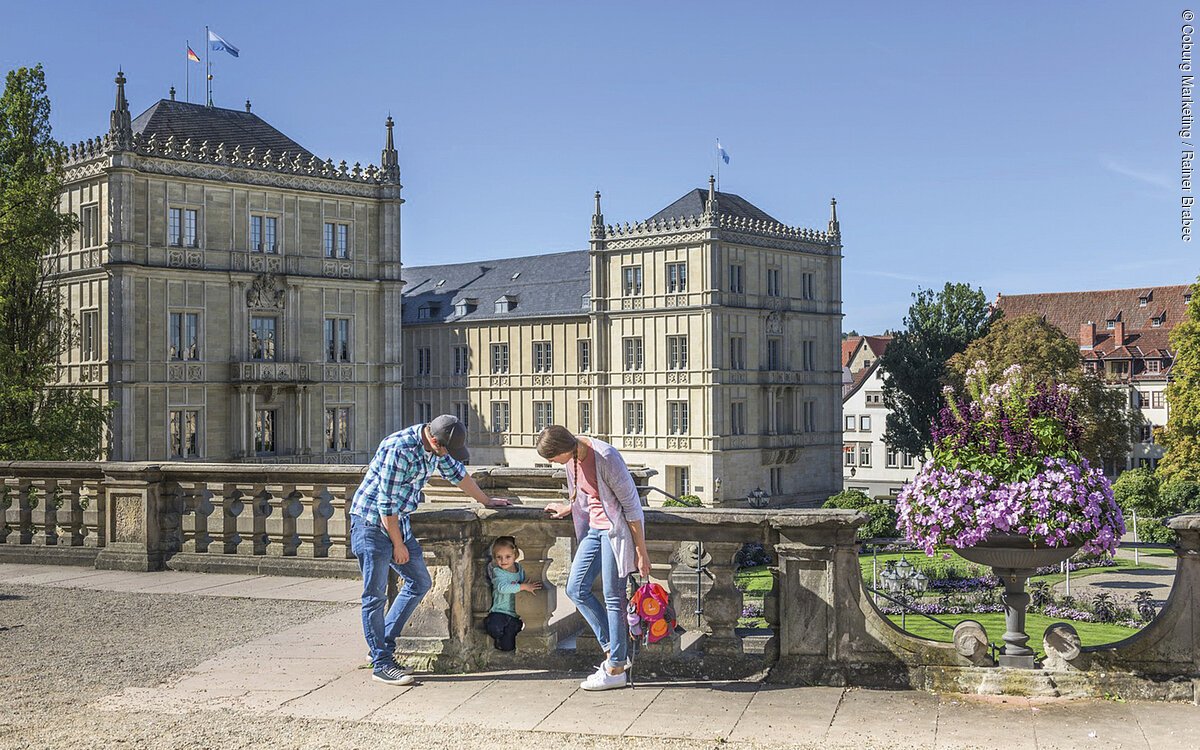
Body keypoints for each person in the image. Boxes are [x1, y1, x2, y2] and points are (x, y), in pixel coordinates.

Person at [350, 414, 511, 686]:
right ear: (434, 440)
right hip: (372, 525)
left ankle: (381, 646)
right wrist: (398, 544)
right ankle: (381, 663)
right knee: (374, 596)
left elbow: (458, 475)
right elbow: (385, 504)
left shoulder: (436, 446)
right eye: (446, 449)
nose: (449, 454)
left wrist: (486, 500)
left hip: (397, 522)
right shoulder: (398, 449)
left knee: (419, 582)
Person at [538, 424, 651, 691]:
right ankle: (612, 648)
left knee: (614, 596)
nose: (553, 463)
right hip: (593, 529)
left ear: (564, 449)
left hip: (615, 531)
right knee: (575, 588)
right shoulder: (571, 459)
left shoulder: (605, 456)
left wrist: (641, 551)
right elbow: (586, 495)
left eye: (553, 458)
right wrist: (569, 506)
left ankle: (616, 667)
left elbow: (633, 507)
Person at [484, 535, 542, 651]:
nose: (503, 561)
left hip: (515, 614)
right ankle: (496, 634)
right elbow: (502, 588)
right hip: (499, 611)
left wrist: (528, 586)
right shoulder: (498, 572)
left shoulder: (519, 569)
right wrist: (524, 586)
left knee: (508, 646)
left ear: (515, 555)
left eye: (507, 557)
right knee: (494, 628)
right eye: (499, 557)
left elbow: (524, 581)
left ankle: (503, 641)